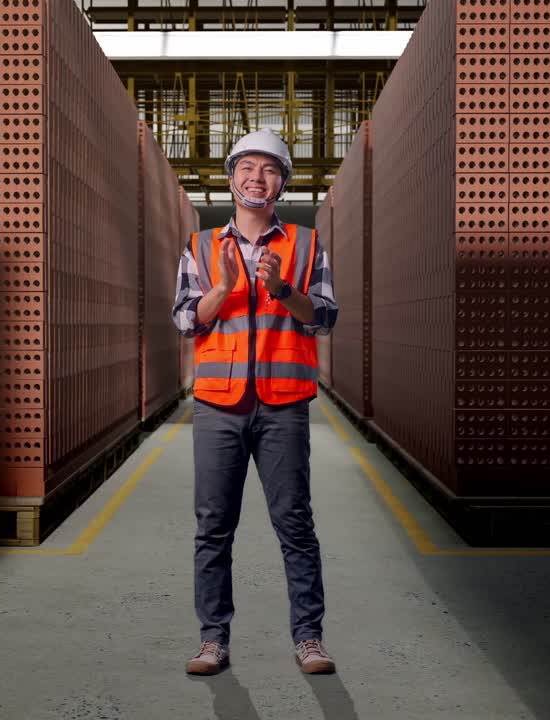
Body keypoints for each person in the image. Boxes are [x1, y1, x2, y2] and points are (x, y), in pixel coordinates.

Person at [171, 128, 339, 676]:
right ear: (232, 178)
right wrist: (221, 288)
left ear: (282, 182)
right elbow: (184, 319)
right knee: (213, 527)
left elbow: (326, 317)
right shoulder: (201, 246)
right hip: (218, 406)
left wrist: (283, 289)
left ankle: (309, 639)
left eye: (269, 169)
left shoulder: (305, 244)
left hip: (283, 405)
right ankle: (212, 641)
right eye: (247, 167)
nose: (257, 177)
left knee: (294, 524)